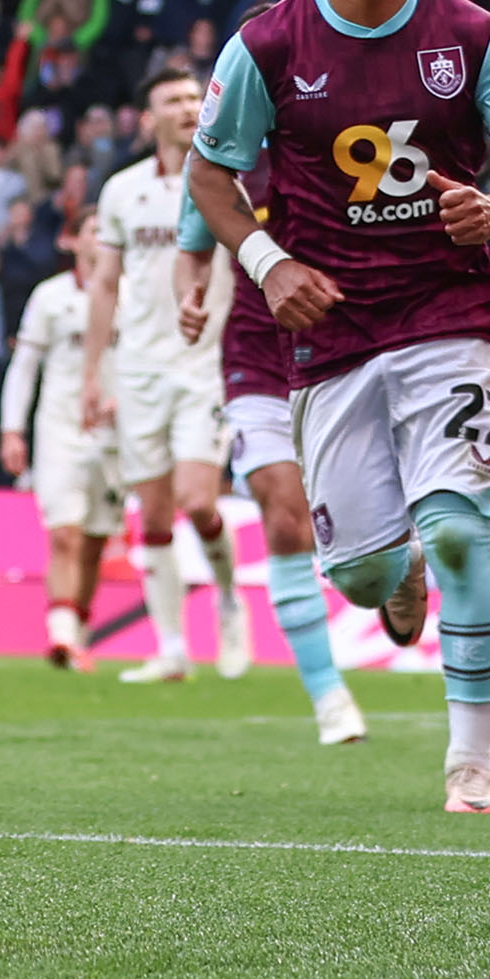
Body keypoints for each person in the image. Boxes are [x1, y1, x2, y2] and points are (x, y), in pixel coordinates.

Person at [185, 0, 490, 815]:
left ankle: (472, 760)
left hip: (450, 314)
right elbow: (210, 171)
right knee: (360, 572)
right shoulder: (267, 43)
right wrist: (266, 263)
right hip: (332, 335)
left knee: (458, 531)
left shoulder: (472, 32)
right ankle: (387, 575)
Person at [173, 168, 368, 744]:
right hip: (257, 366)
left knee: (365, 544)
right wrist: (190, 295)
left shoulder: (349, 143)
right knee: (285, 517)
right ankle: (328, 694)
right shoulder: (224, 171)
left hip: (348, 360)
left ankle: (396, 569)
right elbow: (193, 247)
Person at [83, 63, 247, 685]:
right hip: (139, 368)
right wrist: (93, 374)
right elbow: (104, 285)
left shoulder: (227, 177)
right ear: (147, 118)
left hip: (205, 364)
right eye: (171, 100)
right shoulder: (121, 190)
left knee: (199, 501)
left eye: (192, 96)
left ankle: (230, 602)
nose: (185, 107)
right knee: (151, 518)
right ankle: (172, 647)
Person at [2, 222, 123, 671]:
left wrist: (123, 400)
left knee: (93, 541)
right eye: (91, 229)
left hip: (113, 434)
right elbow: (24, 366)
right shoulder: (49, 296)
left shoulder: (129, 295)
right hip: (58, 429)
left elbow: (142, 360)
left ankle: (79, 632)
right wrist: (12, 429)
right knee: (64, 533)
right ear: (74, 239)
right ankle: (61, 635)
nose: (98, 238)